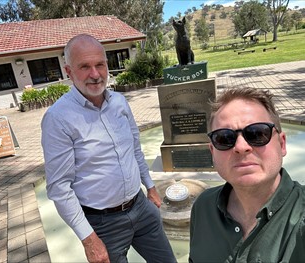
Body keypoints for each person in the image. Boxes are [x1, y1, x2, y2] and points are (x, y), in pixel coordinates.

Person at [41, 34, 176, 263]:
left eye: (100, 65)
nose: (95, 74)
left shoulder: (119, 103)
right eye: (84, 66)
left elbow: (134, 149)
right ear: (68, 71)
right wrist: (89, 239)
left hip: (141, 207)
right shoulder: (58, 119)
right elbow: (59, 187)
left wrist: (150, 187)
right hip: (103, 226)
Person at [189, 87, 305, 262]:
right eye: (224, 138)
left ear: (281, 144)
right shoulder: (203, 207)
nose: (241, 147)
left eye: (257, 133)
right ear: (212, 151)